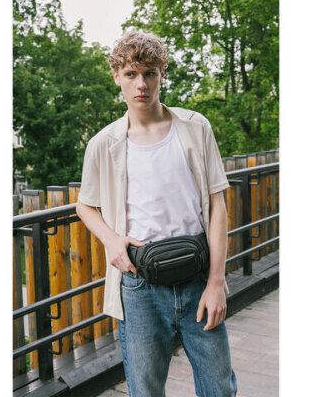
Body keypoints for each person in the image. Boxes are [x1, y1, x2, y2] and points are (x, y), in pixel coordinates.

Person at [76, 31, 237, 397]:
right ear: (117, 76)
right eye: (131, 74)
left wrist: (216, 282)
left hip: (198, 277)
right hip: (140, 285)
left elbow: (218, 204)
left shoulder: (195, 127)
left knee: (220, 389)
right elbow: (85, 204)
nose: (141, 84)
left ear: (162, 73)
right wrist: (111, 239)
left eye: (149, 73)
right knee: (145, 391)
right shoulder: (103, 143)